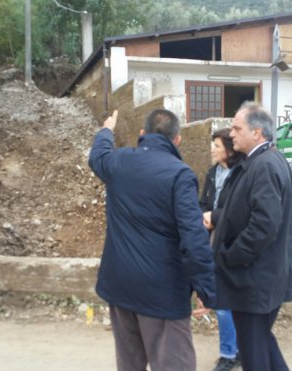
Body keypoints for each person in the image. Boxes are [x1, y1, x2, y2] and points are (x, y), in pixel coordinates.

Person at [88, 109, 216, 371]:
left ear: (142, 134)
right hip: (163, 294)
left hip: (121, 286)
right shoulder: (180, 174)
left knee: (129, 363)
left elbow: (97, 156)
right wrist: (207, 289)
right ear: (177, 140)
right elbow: (193, 237)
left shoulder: (119, 161)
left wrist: (106, 130)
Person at [208, 101, 292, 371]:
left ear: (257, 132)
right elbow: (248, 212)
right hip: (260, 277)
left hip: (254, 279)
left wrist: (230, 256)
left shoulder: (264, 166)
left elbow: (263, 225)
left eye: (237, 128)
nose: (231, 134)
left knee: (254, 352)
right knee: (261, 341)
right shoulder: (261, 161)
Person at [199, 128, 245, 371]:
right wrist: (203, 217)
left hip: (234, 242)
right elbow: (203, 203)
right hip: (213, 239)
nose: (212, 149)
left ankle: (232, 352)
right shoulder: (212, 173)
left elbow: (240, 210)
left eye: (216, 145)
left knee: (228, 300)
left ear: (228, 148)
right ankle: (232, 351)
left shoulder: (242, 174)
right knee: (222, 300)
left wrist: (215, 216)